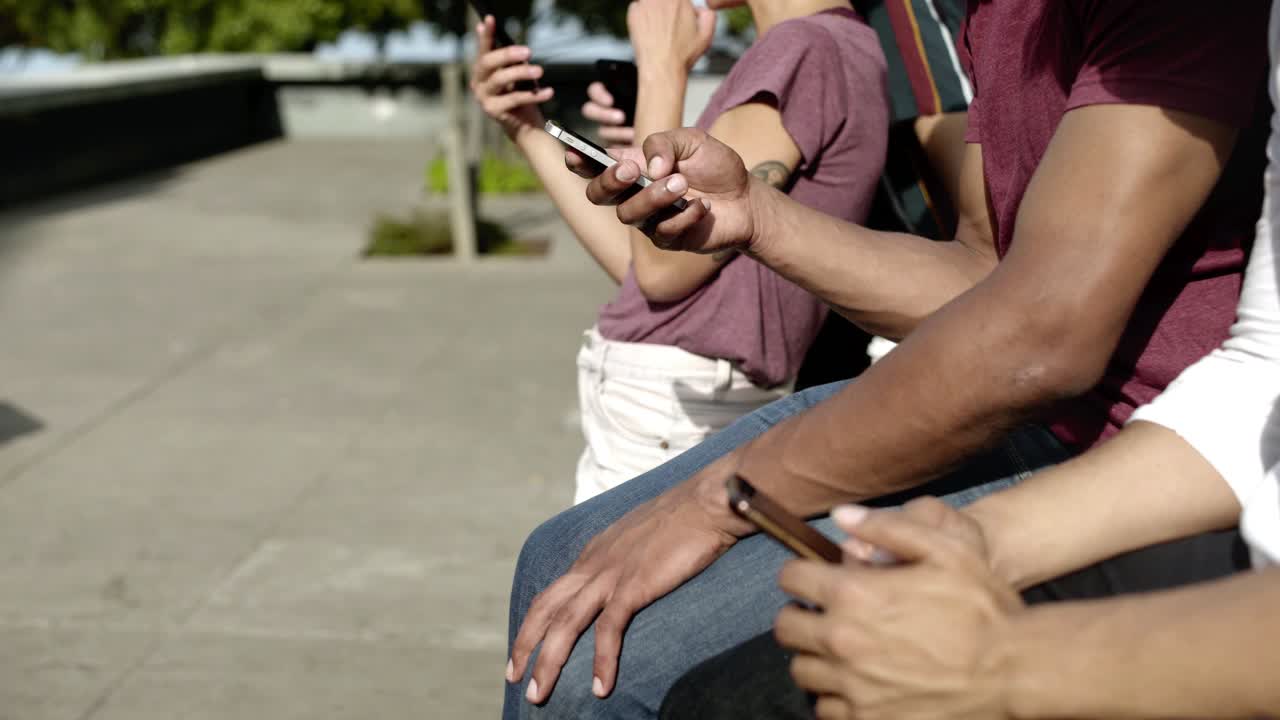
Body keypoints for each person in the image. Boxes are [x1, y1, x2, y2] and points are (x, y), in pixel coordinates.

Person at [503, 2, 1271, 718]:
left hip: (1122, 446)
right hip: (1046, 409)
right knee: (558, 557)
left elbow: (1043, 333)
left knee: (623, 664)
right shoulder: (999, 17)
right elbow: (985, 280)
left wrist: (717, 500)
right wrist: (757, 216)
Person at [470, 0, 889, 505]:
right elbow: (640, 265)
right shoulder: (839, 47)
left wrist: (661, 67)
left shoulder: (805, 48)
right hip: (679, 402)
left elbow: (660, 269)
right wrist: (528, 125)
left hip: (677, 407)